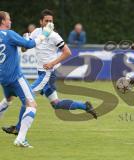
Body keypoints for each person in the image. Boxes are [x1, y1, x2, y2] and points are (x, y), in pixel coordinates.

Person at [1, 9, 97, 136]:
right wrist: (24, 43)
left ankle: (18, 128)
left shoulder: (54, 35)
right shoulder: (36, 32)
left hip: (47, 74)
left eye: (51, 21)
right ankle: (85, 106)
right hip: (42, 73)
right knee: (56, 104)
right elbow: (25, 48)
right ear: (41, 22)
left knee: (29, 98)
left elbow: (67, 52)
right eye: (46, 21)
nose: (49, 23)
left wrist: (52, 63)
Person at [0, 11, 51, 147]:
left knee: (8, 100)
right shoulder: (9, 34)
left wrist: (26, 39)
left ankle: (20, 135)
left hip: (3, 78)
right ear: (3, 21)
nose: (10, 21)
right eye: (8, 19)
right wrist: (44, 34)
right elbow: (28, 45)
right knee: (32, 105)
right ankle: (21, 139)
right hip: (15, 77)